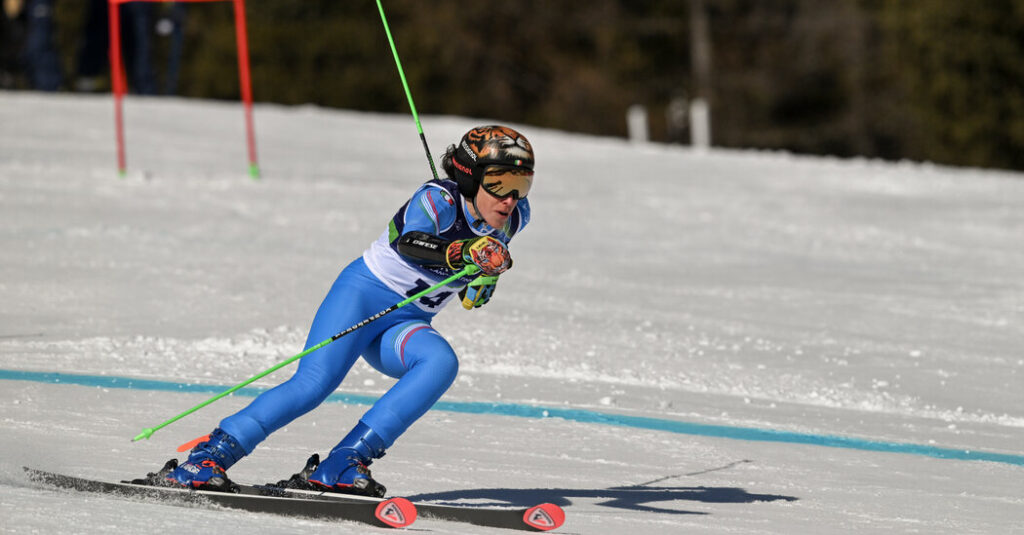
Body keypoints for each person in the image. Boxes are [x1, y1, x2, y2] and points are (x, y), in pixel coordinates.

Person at [152, 125, 535, 497]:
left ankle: (345, 461)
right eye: (499, 183)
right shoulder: (439, 200)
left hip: (405, 323)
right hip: (362, 298)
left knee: (440, 363)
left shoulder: (514, 217)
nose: (510, 198)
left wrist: (482, 279)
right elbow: (409, 242)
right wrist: (462, 252)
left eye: (522, 186)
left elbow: (476, 280)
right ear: (469, 177)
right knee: (313, 385)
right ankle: (208, 456)